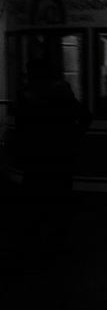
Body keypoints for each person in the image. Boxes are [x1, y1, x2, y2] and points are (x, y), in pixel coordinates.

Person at [13, 58, 92, 247]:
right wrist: (73, 135)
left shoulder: (25, 92)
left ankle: (34, 236)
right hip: (60, 153)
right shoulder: (61, 89)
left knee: (34, 196)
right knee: (60, 195)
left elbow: (20, 126)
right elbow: (84, 116)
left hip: (34, 155)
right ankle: (58, 237)